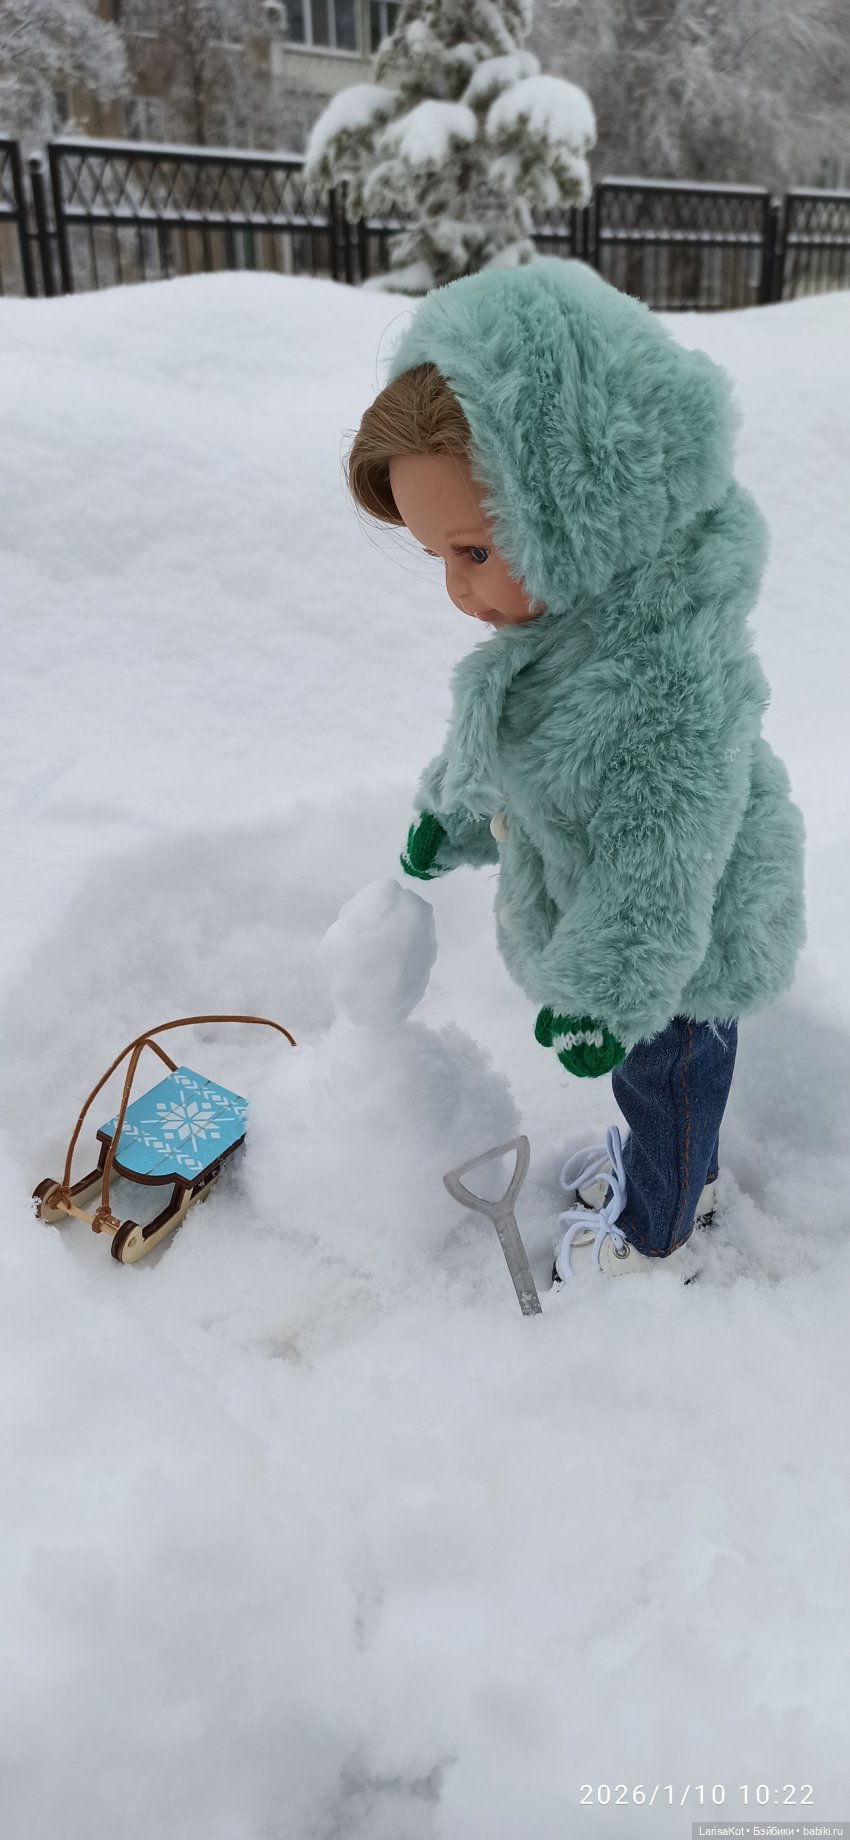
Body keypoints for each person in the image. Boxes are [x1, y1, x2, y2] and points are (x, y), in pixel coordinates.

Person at [344, 259, 806, 1282]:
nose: (458, 592)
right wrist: (457, 816)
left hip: (677, 943)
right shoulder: (572, 624)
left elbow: (664, 847)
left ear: (575, 506)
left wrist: (606, 991)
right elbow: (530, 751)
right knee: (660, 1087)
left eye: (473, 551)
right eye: (438, 559)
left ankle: (660, 1232)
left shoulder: (664, 673)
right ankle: (671, 1176)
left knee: (668, 1074)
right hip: (626, 927)